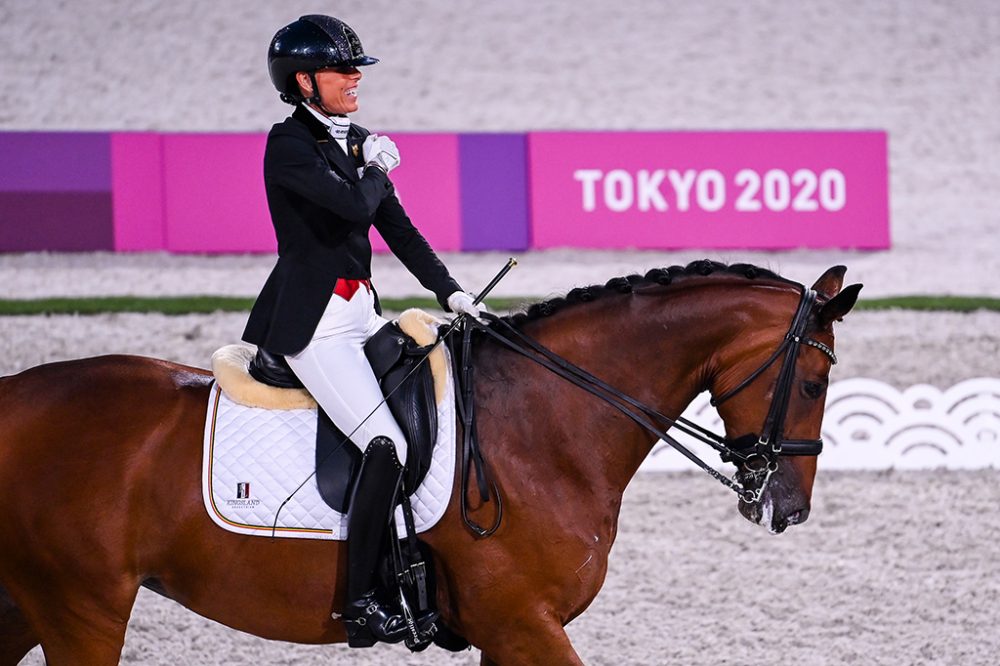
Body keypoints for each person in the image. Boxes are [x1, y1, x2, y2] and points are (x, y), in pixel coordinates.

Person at [243, 14, 482, 646]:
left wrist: (448, 289)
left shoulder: (356, 139)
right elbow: (353, 206)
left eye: (357, 69)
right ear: (303, 81)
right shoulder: (287, 144)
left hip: (361, 311)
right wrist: (371, 167)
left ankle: (417, 576)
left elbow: (395, 226)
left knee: (433, 406)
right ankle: (360, 601)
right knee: (386, 445)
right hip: (313, 324)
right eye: (342, 70)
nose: (355, 79)